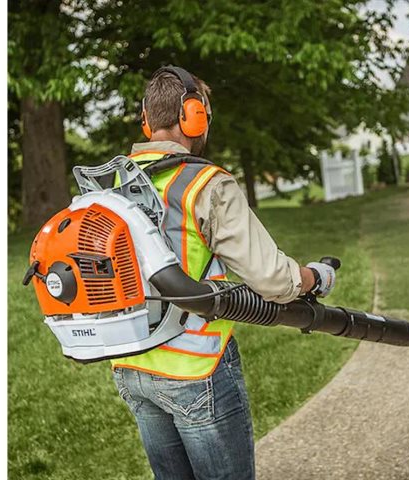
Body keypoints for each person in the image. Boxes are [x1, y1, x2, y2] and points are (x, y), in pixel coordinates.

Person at [111, 65, 336, 480]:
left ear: (146, 119)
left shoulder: (115, 184)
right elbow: (274, 281)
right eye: (204, 115)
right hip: (196, 370)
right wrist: (314, 277)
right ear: (191, 116)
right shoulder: (205, 184)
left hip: (132, 367)